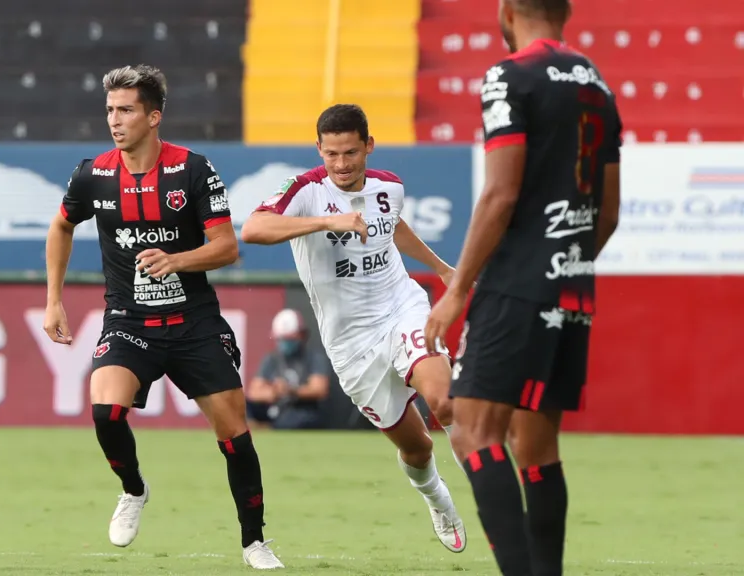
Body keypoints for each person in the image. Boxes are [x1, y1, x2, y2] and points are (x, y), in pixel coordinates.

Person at [43, 64, 283, 570]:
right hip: (128, 322)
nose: (115, 119)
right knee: (105, 411)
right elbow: (61, 227)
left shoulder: (193, 170)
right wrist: (53, 299)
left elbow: (227, 247)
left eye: (126, 110)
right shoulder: (94, 173)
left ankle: (254, 542)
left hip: (193, 322)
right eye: (110, 110)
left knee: (234, 433)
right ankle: (133, 490)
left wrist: (176, 259)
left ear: (154, 117)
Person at [423, 0, 623, 573]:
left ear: (506, 12)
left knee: (472, 432)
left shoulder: (510, 75)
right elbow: (607, 213)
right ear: (566, 11)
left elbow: (500, 194)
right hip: (573, 288)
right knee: (536, 447)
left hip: (517, 285)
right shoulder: (598, 85)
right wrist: (563, 266)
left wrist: (459, 290)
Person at [241, 103, 467, 553]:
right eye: (331, 155)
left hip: (400, 308)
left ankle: (495, 494)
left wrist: (442, 267)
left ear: (369, 146)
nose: (341, 165)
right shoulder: (305, 190)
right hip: (350, 343)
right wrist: (329, 219)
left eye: (350, 153)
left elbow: (391, 227)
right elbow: (252, 229)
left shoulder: (391, 186)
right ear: (319, 151)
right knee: (417, 449)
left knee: (444, 400)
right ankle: (437, 498)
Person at [246, 309, 332, 430]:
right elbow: (254, 392)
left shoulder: (314, 358)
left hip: (301, 408)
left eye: (290, 339)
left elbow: (319, 389)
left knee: (297, 419)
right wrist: (273, 392)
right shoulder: (271, 359)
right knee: (244, 407)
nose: (285, 343)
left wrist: (291, 391)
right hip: (275, 408)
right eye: (281, 339)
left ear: (301, 335)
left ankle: (269, 428)